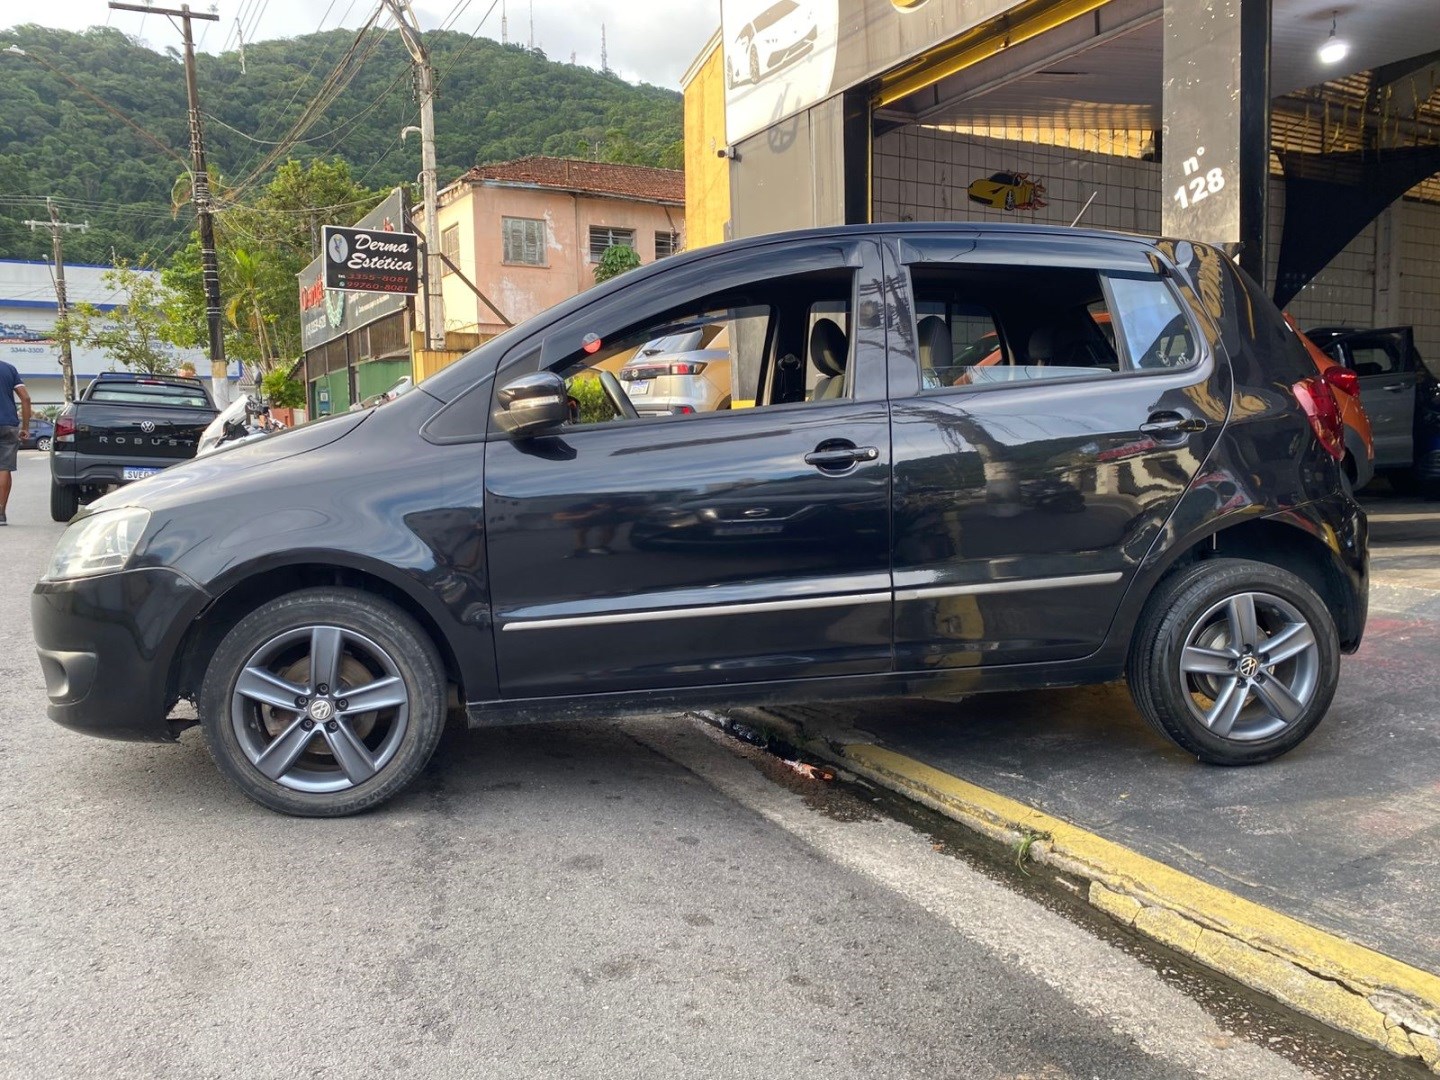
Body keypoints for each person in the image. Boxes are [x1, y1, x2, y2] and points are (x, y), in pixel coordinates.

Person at [0, 358, 32, 526]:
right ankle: (1, 513)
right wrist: (25, 427)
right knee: (4, 468)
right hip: (8, 425)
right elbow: (25, 398)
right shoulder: (9, 369)